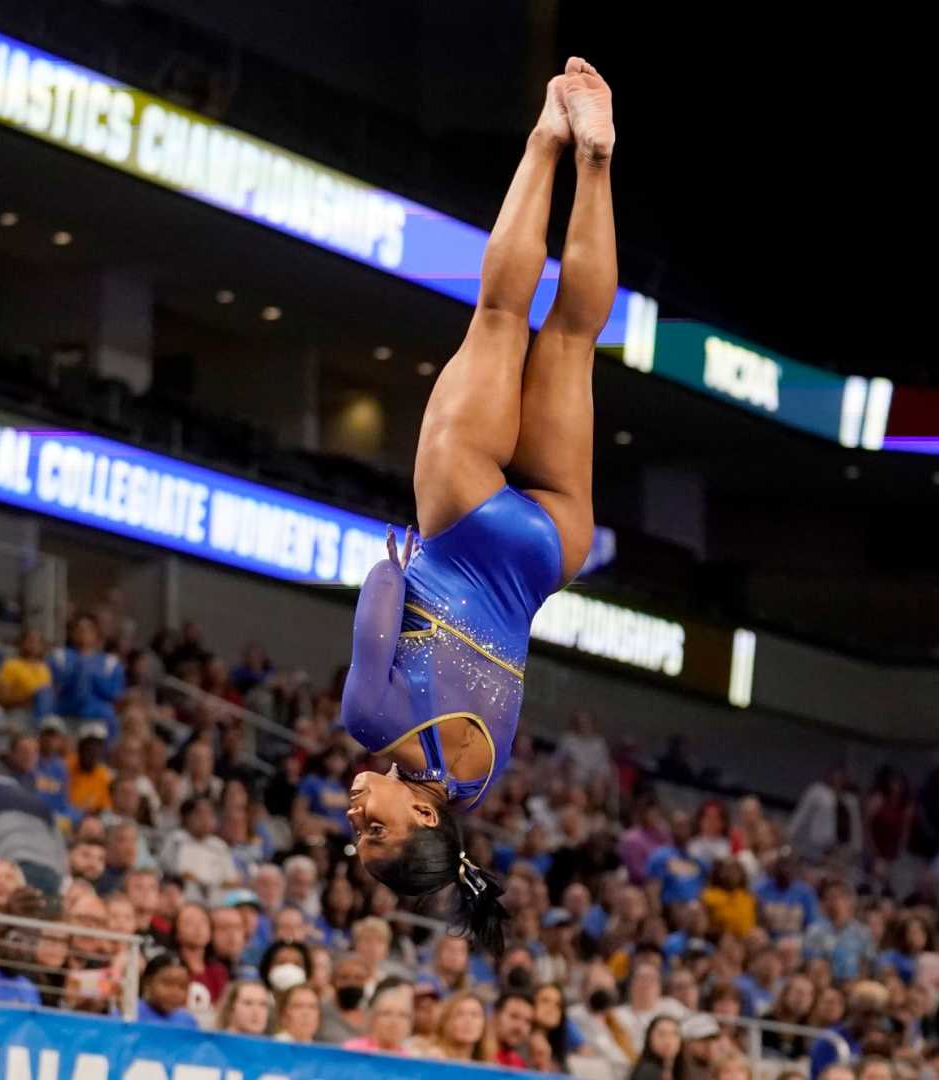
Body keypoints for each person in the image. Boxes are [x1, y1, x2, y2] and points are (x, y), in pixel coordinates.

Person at [339, 59, 617, 952]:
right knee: (500, 313)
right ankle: (546, 137)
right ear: (422, 815)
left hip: (548, 557)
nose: (356, 811)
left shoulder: (478, 780)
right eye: (374, 829)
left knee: (573, 342)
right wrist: (398, 566)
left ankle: (599, 164)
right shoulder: (372, 725)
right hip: (460, 530)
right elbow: (382, 591)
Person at [418, 991, 498, 1062]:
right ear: (445, 1022)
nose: (468, 1021)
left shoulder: (488, 1065)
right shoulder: (430, 1058)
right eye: (460, 1014)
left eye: (475, 1015)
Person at [344, 978, 415, 1056]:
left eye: (403, 1015)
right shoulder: (352, 1050)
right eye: (386, 1013)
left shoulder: (408, 1059)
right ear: (373, 1017)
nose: (394, 1022)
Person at [0, 627, 54, 716]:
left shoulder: (45, 669)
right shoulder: (11, 665)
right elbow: (2, 698)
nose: (33, 644)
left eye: (37, 641)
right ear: (22, 643)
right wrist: (28, 700)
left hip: (42, 715)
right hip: (18, 713)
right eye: (30, 640)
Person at [140, 952, 201, 1027]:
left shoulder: (189, 1022)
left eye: (182, 986)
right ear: (148, 983)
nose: (175, 992)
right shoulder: (130, 1014)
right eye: (167, 983)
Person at [492, 988, 537, 1068]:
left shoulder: (518, 1063)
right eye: (514, 1016)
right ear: (496, 1016)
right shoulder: (472, 1055)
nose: (520, 1027)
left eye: (527, 1021)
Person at [632, 1015, 684, 1080]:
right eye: (661, 1034)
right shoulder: (647, 1072)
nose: (668, 1040)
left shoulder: (681, 1069)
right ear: (649, 1038)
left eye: (674, 1034)